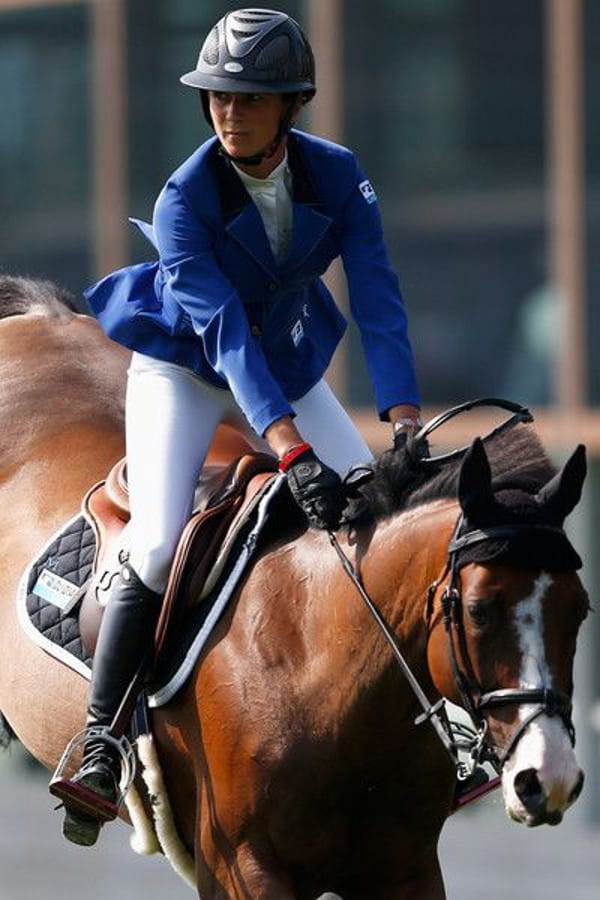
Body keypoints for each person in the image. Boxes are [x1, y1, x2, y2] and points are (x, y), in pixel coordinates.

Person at [51, 8, 422, 846]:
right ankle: (103, 736)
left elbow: (378, 289)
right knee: (154, 543)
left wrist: (403, 416)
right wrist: (288, 447)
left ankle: (424, 720)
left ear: (292, 104)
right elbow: (222, 335)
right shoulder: (185, 198)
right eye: (217, 96)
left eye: (248, 99)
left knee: (379, 514)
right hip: (185, 371)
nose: (227, 112)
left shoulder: (338, 174)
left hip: (283, 363)